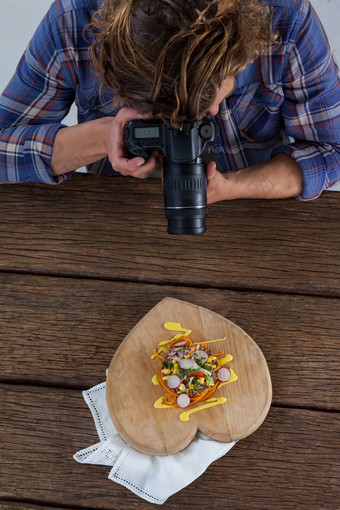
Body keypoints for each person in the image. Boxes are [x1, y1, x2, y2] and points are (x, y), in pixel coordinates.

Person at [0, 0, 339, 204]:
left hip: (255, 228)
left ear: (244, 58)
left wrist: (234, 186)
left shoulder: (287, 21)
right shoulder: (73, 20)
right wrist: (104, 136)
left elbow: (334, 150)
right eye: (155, 116)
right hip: (112, 224)